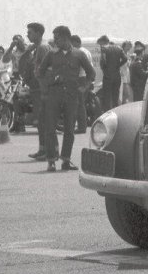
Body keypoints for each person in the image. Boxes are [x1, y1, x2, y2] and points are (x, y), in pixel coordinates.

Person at [36, 25, 95, 172]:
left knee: (69, 130)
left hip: (72, 96)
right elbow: (40, 73)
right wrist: (46, 87)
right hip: (53, 96)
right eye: (54, 38)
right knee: (50, 129)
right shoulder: (51, 55)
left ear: (66, 38)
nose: (55, 41)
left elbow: (91, 73)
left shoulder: (79, 54)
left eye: (57, 38)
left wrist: (84, 88)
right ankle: (51, 161)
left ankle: (66, 160)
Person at [23, 22, 51, 157]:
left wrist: (44, 88)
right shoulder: (37, 48)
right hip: (38, 89)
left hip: (42, 90)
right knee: (41, 122)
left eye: (30, 32)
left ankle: (46, 151)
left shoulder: (43, 47)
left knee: (43, 121)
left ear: (38, 33)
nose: (27, 35)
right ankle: (43, 150)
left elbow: (47, 69)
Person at [96, 36, 128, 111]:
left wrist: (104, 69)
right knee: (115, 96)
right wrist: (118, 65)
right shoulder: (119, 48)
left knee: (107, 97)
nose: (100, 45)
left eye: (100, 43)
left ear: (103, 41)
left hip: (108, 76)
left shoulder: (104, 48)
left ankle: (108, 114)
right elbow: (125, 59)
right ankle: (116, 112)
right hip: (117, 76)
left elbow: (103, 60)